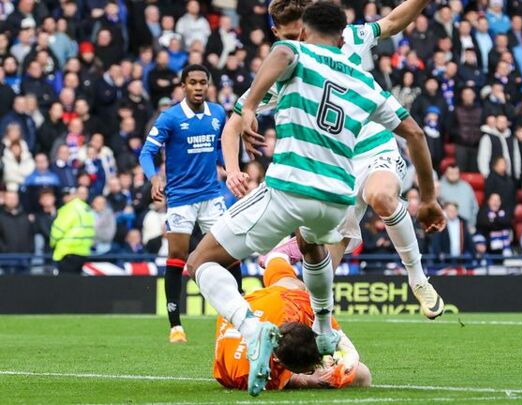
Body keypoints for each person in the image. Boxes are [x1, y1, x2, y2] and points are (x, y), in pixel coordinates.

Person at [185, 2, 444, 396]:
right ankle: (323, 329)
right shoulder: (364, 79)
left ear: (304, 31)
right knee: (312, 246)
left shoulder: (293, 54)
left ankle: (252, 329)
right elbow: (417, 135)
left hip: (292, 188)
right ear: (341, 37)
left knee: (201, 261)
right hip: (337, 197)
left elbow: (281, 54)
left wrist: (251, 104)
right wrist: (428, 199)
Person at [228, 0, 446, 319]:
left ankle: (417, 278)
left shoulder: (347, 41)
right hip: (336, 166)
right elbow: (233, 123)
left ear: (308, 28)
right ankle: (324, 333)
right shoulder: (284, 71)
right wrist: (233, 168)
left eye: (299, 33)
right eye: (289, 37)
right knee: (322, 272)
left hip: (374, 146)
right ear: (278, 34)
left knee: (381, 196)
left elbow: (392, 21)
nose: (297, 41)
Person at [138, 64, 238, 344]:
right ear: (183, 86)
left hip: (211, 195)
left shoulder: (217, 113)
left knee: (230, 252)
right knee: (177, 255)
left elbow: (219, 147)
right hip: (181, 198)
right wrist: (154, 178)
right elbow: (147, 153)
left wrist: (230, 168)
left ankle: (237, 320)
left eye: (202, 82)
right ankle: (175, 326)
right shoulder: (170, 118)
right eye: (192, 82)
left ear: (208, 85)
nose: (198, 87)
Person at [214, 256, 370, 391]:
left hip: (256, 304)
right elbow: (364, 376)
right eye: (310, 370)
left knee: (293, 284)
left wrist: (348, 356)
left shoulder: (301, 307)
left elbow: (347, 350)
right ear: (277, 360)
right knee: (362, 375)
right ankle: (277, 257)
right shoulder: (252, 377)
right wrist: (312, 379)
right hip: (240, 308)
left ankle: (277, 256)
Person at [50, 187, 95, 274]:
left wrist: (52, 244)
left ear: (75, 194)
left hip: (67, 251)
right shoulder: (87, 208)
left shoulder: (69, 208)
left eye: (68, 195)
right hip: (83, 251)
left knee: (65, 281)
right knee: (77, 280)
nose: (65, 197)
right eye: (64, 195)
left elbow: (58, 229)